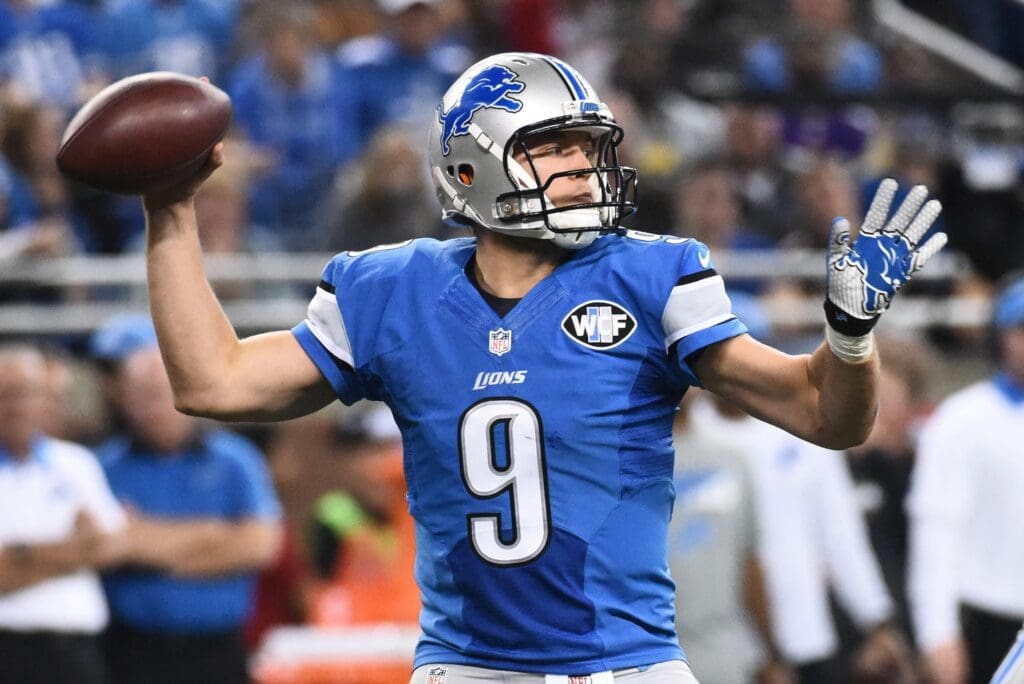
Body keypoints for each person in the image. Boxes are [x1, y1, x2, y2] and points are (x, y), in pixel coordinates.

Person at [137, 53, 946, 681]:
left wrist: (848, 338)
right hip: (468, 668)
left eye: (589, 150)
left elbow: (824, 415)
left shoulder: (648, 276)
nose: (584, 170)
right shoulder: (391, 290)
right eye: (554, 150)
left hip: (629, 666)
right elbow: (214, 382)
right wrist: (170, 212)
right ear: (471, 170)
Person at [89, 314, 283, 684]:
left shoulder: (235, 460)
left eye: (162, 392)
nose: (154, 406)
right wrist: (214, 537)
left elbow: (260, 546)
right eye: (142, 395)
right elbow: (104, 548)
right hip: (132, 654)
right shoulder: (101, 467)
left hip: (218, 652)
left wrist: (143, 544)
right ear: (123, 399)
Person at [907, 272, 1024, 684]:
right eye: (1020, 329)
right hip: (988, 624)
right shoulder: (961, 420)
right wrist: (937, 633)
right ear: (998, 336)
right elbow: (936, 530)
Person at [0, 344, 126, 684]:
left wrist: (18, 555)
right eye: (5, 394)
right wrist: (76, 551)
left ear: (45, 399)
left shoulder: (77, 463)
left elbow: (110, 547)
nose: (15, 406)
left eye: (25, 393)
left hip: (73, 653)